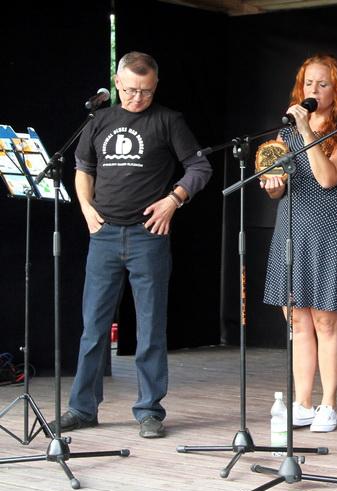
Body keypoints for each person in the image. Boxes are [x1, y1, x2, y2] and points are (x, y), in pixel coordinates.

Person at [49, 52, 212, 438]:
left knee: (151, 327)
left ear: (156, 86)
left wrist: (173, 200)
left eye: (147, 91)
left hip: (147, 235)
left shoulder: (168, 120)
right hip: (104, 234)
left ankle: (149, 410)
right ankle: (82, 408)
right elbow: (83, 168)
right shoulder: (98, 120)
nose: (138, 98)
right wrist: (86, 208)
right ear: (117, 83)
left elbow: (200, 167)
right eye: (131, 90)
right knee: (93, 327)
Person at [262, 54, 337, 433]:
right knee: (297, 319)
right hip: (292, 227)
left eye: (323, 84)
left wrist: (308, 133)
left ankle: (329, 404)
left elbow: (327, 178)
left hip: (330, 230)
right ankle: (303, 403)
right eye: (309, 84)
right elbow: (276, 188)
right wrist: (273, 185)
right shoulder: (284, 133)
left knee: (325, 320)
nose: (314, 90)